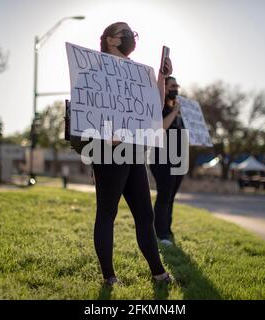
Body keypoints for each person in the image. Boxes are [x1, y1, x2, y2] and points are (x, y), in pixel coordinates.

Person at [91, 22, 174, 286]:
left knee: (145, 215)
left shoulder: (137, 71)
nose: (131, 38)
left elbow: (155, 105)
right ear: (111, 41)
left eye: (132, 34)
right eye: (125, 34)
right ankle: (109, 277)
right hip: (108, 149)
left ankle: (159, 274)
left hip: (133, 149)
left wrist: (161, 77)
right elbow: (87, 106)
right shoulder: (95, 69)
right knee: (107, 213)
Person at [149, 77, 185, 246]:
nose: (176, 89)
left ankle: (167, 230)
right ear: (164, 87)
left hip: (178, 159)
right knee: (164, 195)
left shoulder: (177, 110)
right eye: (172, 86)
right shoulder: (159, 107)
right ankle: (160, 233)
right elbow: (160, 128)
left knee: (171, 196)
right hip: (161, 158)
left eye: (177, 86)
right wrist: (174, 111)